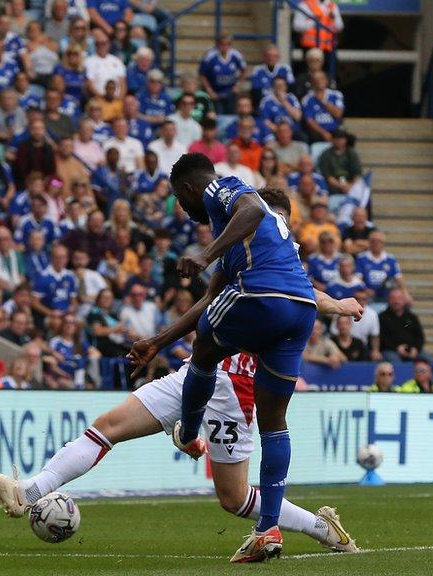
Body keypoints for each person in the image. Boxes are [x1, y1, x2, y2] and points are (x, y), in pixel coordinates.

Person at [0, 265, 361, 561]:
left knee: (233, 498)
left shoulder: (273, 260)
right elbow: (206, 304)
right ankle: (28, 491)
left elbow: (305, 295)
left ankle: (319, 526)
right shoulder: (238, 255)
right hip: (198, 368)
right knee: (107, 426)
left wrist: (337, 306)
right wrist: (162, 341)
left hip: (235, 388)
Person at [130, 163, 319, 561]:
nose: (183, 209)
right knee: (274, 423)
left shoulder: (223, 189)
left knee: (204, 349)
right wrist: (159, 341)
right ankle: (268, 528)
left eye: (181, 200)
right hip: (301, 308)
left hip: (261, 297)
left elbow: (250, 210)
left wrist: (203, 255)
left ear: (187, 188)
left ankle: (188, 431)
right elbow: (208, 300)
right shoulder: (250, 243)